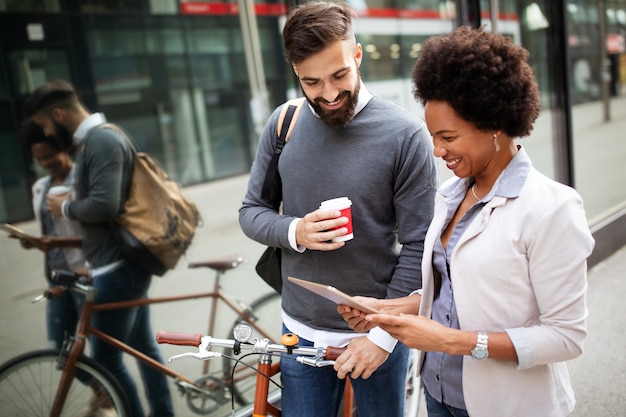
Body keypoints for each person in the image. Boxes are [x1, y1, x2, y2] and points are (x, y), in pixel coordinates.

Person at [339, 26, 595, 417]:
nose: (438, 151)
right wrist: (386, 309)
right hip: (440, 395)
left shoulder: (552, 208)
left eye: (448, 137)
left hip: (507, 405)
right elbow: (448, 295)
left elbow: (566, 337)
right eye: (433, 137)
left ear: (493, 124)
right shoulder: (451, 195)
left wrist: (456, 342)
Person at [238, 2, 438, 416]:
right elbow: (251, 211)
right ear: (296, 72)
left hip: (377, 331)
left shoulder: (405, 135)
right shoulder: (284, 124)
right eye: (312, 82)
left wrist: (382, 338)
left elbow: (420, 245)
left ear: (358, 55)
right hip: (299, 332)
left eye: (340, 75)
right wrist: (297, 232)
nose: (328, 94)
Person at [24, 80, 174, 417]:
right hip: (117, 265)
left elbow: (105, 206)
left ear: (59, 114)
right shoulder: (94, 141)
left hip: (116, 268)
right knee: (142, 347)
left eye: (46, 124)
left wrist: (63, 208)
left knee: (106, 361)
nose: (47, 131)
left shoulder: (101, 140)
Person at [16, 119, 86, 350]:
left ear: (65, 149)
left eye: (50, 155)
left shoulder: (84, 182)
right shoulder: (40, 187)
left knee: (98, 350)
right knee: (59, 348)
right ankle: (100, 387)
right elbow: (50, 230)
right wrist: (36, 242)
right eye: (39, 159)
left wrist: (55, 241)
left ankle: (106, 387)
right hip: (56, 277)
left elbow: (97, 236)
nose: (46, 163)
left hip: (85, 275)